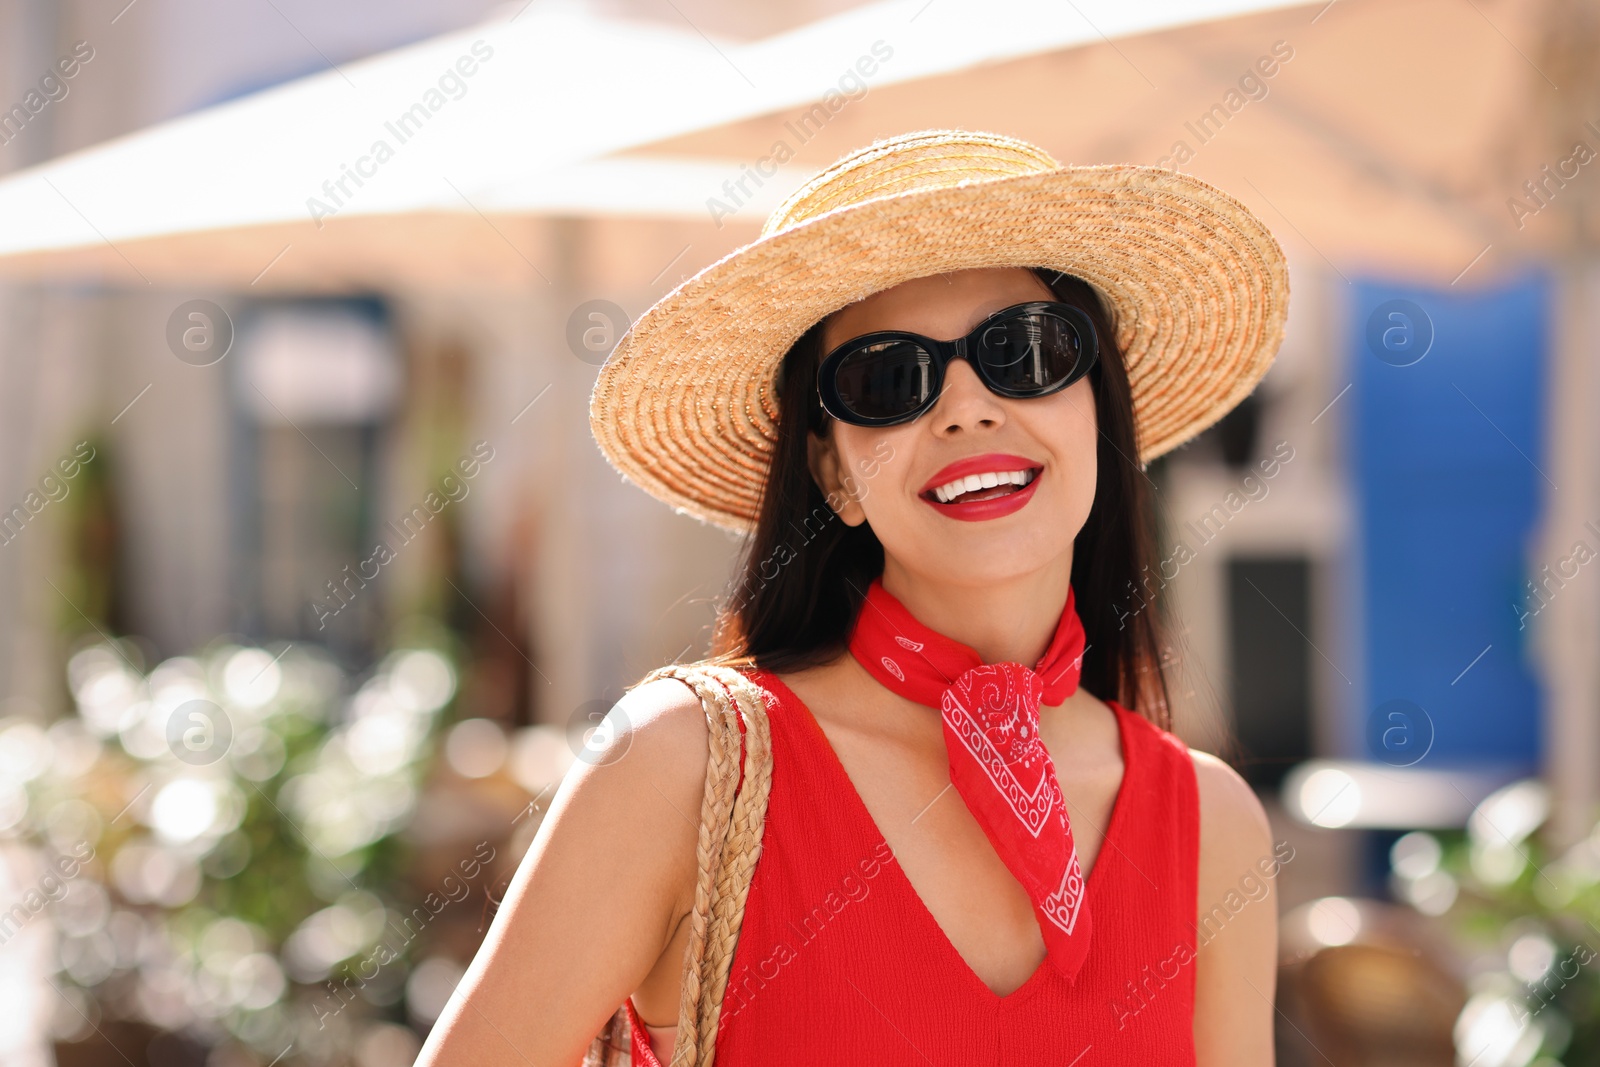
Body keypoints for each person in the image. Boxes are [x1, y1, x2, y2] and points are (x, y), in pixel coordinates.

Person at [416, 129, 1291, 1066]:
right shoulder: (683, 764)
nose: (965, 407)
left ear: (1097, 411)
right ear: (832, 471)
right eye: (887, 379)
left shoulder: (1210, 826)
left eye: (1026, 352)